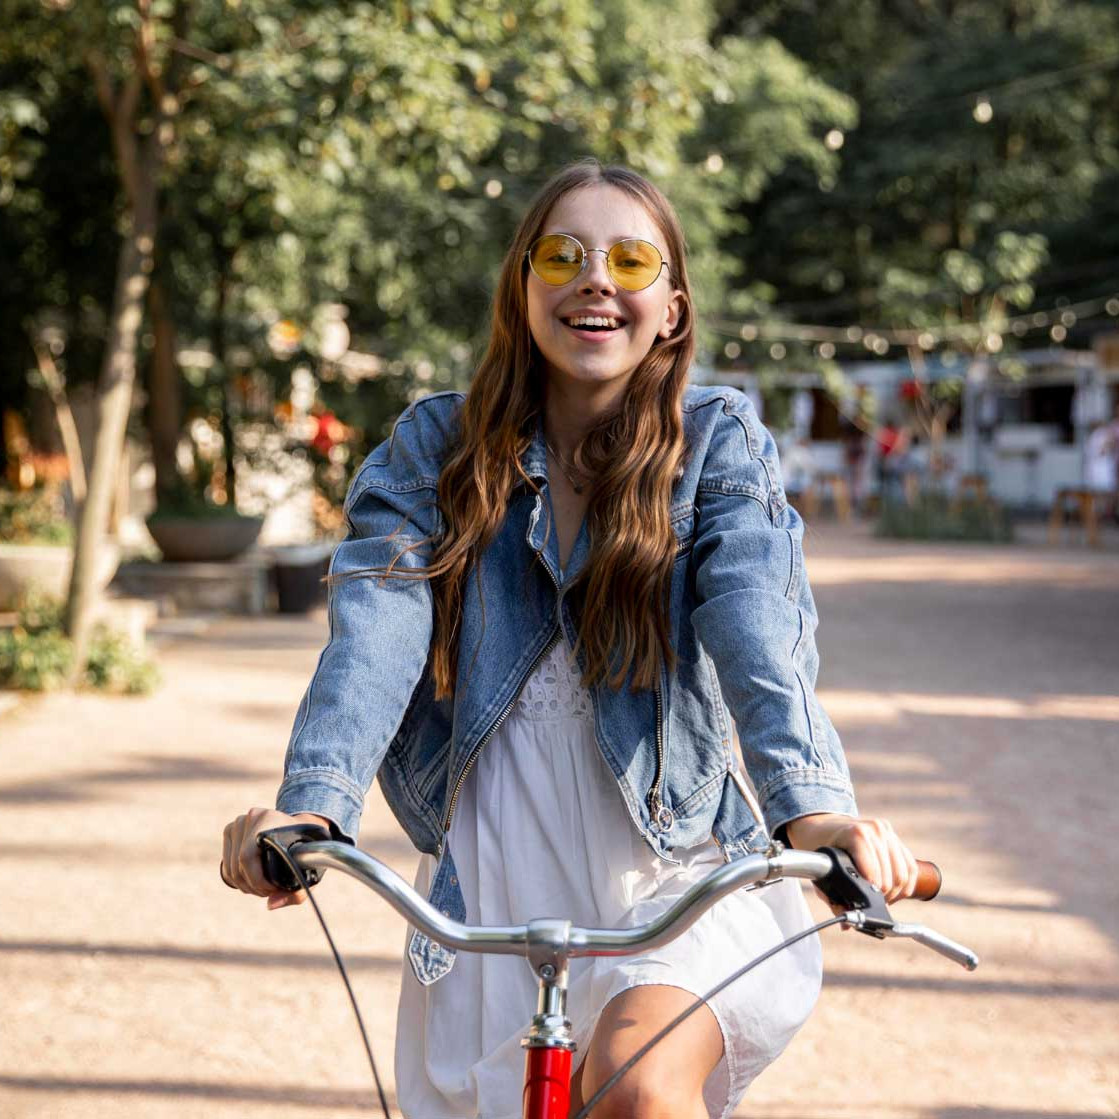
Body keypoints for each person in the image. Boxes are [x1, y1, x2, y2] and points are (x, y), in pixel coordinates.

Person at [221, 160, 921, 1119]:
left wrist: (816, 812)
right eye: (564, 254)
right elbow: (376, 628)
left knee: (638, 1084)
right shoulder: (433, 451)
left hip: (678, 875)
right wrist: (311, 807)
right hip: (489, 878)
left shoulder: (715, 443)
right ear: (523, 289)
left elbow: (761, 638)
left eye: (632, 259)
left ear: (670, 307)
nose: (596, 277)